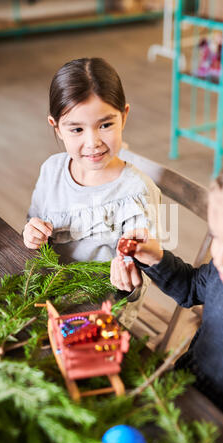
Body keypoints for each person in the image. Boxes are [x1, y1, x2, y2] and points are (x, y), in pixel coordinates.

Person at [110, 149, 223, 443]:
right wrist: (157, 258)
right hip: (183, 391)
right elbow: (191, 288)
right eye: (218, 237)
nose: (221, 256)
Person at [23, 57, 161, 328]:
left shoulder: (136, 193)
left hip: (103, 313)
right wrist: (32, 232)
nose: (93, 142)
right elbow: (32, 224)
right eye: (76, 129)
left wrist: (130, 278)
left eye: (106, 125)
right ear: (56, 128)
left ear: (124, 116)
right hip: (47, 293)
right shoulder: (52, 171)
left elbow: (140, 279)